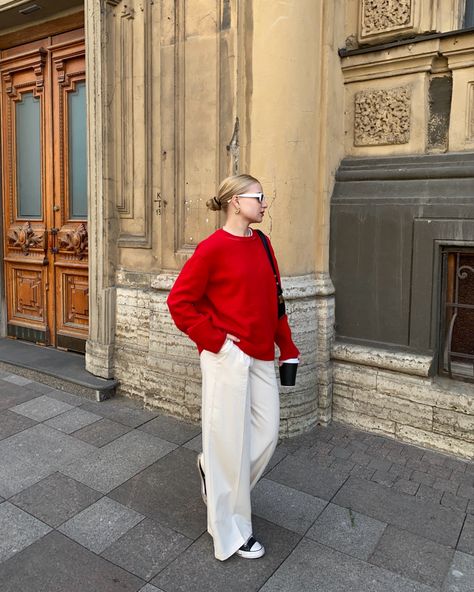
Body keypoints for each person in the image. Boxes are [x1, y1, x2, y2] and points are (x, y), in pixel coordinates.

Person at [167, 173, 300, 561]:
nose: (264, 203)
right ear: (235, 202)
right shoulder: (212, 249)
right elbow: (180, 303)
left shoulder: (263, 243)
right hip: (227, 356)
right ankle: (232, 530)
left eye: (264, 197)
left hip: (260, 355)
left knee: (266, 434)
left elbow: (275, 302)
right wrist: (217, 343)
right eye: (259, 197)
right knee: (228, 443)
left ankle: (214, 473)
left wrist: (287, 347)